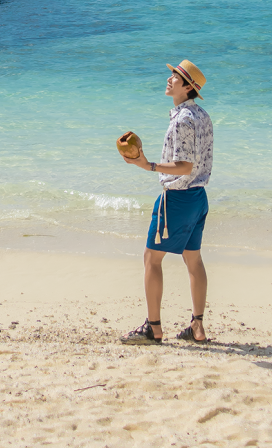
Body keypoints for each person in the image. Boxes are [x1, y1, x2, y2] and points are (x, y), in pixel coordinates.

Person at [120, 60, 213, 345]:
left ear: (187, 87)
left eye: (176, 77)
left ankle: (154, 328)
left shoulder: (183, 120)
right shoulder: (202, 115)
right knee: (193, 259)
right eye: (172, 75)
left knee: (151, 259)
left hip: (179, 198)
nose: (170, 80)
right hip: (198, 197)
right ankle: (197, 327)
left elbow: (184, 166)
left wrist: (147, 165)